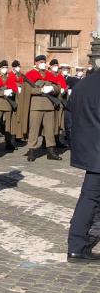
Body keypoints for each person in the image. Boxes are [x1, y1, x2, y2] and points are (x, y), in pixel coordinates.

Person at [66, 68, 100, 262]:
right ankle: (76, 246)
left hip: (90, 151)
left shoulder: (82, 84)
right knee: (90, 199)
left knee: (89, 198)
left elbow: (69, 116)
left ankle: (76, 245)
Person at [19, 55, 62, 161]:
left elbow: (58, 87)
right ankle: (32, 151)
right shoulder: (30, 75)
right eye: (41, 62)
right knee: (34, 129)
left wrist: (52, 88)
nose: (43, 63)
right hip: (36, 106)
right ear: (36, 63)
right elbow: (28, 91)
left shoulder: (49, 74)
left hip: (49, 106)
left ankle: (51, 152)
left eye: (44, 62)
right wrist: (41, 90)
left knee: (50, 130)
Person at [0, 60, 18, 152]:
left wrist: (11, 91)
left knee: (8, 124)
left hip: (8, 104)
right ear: (0, 68)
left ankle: (8, 142)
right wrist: (3, 92)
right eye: (3, 68)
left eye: (6, 67)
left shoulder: (10, 77)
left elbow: (14, 88)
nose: (5, 69)